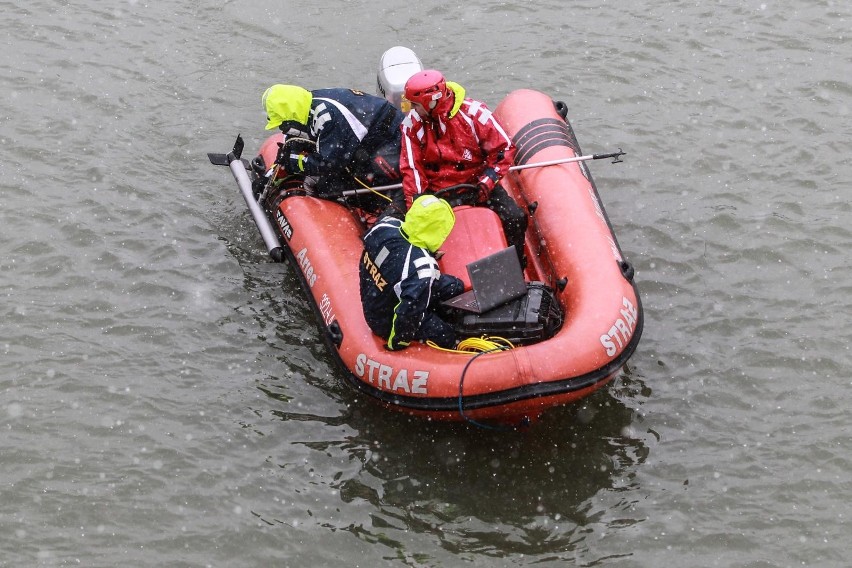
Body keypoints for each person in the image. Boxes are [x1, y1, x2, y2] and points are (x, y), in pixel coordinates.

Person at [399, 70, 528, 265]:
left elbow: (504, 149)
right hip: (436, 194)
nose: (412, 110)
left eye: (415, 105)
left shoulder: (474, 114)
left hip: (477, 186)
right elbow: (412, 170)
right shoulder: (412, 125)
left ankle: (516, 265)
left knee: (515, 218)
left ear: (430, 102)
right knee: (407, 234)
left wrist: (487, 181)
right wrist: (417, 205)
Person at [262, 84, 406, 214]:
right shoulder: (309, 104)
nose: (283, 130)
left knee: (330, 186)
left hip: (391, 142)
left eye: (283, 125)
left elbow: (327, 164)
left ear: (292, 117)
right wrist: (272, 174)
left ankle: (377, 211)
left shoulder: (326, 117)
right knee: (330, 180)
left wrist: (293, 162)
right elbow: (295, 142)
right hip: (374, 137)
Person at [359, 195, 464, 350]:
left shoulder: (386, 226)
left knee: (456, 286)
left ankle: (439, 306)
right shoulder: (423, 267)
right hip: (385, 319)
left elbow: (366, 263)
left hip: (380, 292)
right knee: (447, 334)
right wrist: (397, 343)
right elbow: (408, 314)